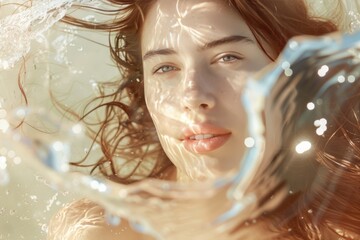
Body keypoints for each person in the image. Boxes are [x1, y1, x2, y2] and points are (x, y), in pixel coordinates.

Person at [47, 0, 360, 239]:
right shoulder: (103, 229)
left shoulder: (344, 226)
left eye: (228, 58)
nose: (192, 95)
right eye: (165, 68)